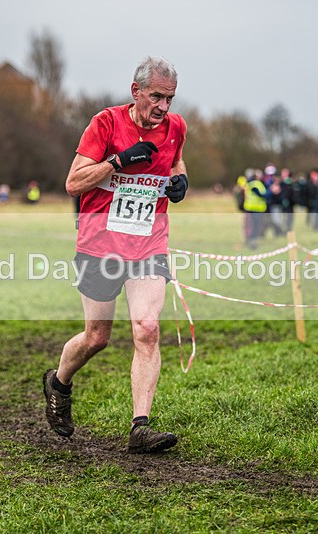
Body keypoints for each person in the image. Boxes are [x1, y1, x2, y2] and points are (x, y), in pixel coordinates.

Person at [43, 56, 189, 454]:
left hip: (149, 243)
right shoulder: (105, 124)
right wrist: (118, 161)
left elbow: (176, 161)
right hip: (100, 245)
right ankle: (59, 381)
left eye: (170, 98)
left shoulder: (176, 127)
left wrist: (181, 181)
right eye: (156, 96)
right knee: (97, 337)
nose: (163, 107)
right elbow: (73, 183)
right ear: (136, 91)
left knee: (147, 328)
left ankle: (140, 427)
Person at [242, 169, 267, 249]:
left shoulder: (250, 184)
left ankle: (252, 240)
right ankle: (252, 241)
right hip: (255, 209)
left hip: (252, 208)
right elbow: (262, 195)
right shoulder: (255, 184)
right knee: (254, 226)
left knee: (251, 226)